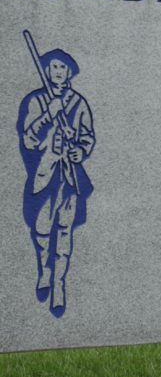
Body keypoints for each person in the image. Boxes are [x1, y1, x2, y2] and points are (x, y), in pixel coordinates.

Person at [17, 49, 95, 318]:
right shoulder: (36, 101)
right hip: (44, 175)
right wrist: (48, 115)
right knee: (41, 229)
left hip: (69, 177)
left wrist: (80, 151)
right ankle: (45, 271)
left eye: (62, 67)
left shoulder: (78, 103)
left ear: (69, 72)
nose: (57, 72)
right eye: (52, 67)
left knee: (64, 231)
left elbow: (87, 137)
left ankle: (60, 285)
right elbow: (28, 139)